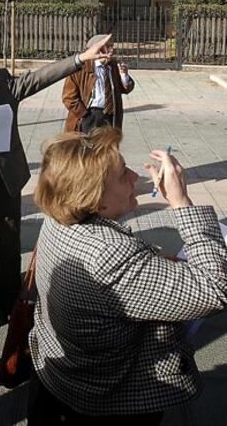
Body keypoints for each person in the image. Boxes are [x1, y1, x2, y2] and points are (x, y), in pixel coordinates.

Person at [28, 127, 227, 425]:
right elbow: (215, 289)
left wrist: (152, 264)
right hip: (111, 400)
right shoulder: (110, 255)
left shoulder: (58, 215)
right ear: (94, 199)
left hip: (60, 376)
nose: (135, 176)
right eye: (123, 174)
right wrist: (181, 201)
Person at [0, 35, 112, 319]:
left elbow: (41, 77)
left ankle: (8, 303)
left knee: (9, 245)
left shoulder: (2, 86)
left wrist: (82, 58)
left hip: (7, 180)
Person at [62, 33, 134, 132]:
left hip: (110, 115)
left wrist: (124, 75)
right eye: (108, 46)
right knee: (87, 146)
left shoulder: (113, 65)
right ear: (96, 48)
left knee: (107, 146)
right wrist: (84, 114)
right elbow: (68, 97)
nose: (111, 50)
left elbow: (125, 89)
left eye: (112, 46)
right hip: (89, 115)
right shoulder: (80, 69)